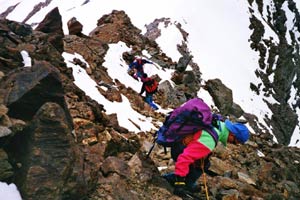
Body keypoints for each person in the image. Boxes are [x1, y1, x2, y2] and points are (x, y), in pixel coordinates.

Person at [163, 119, 250, 198]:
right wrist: (179, 183)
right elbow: (184, 158)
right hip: (179, 147)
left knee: (204, 162)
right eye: (236, 141)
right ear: (232, 134)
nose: (234, 143)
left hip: (180, 141)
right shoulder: (210, 141)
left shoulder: (219, 124)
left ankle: (187, 183)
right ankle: (175, 180)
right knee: (199, 164)